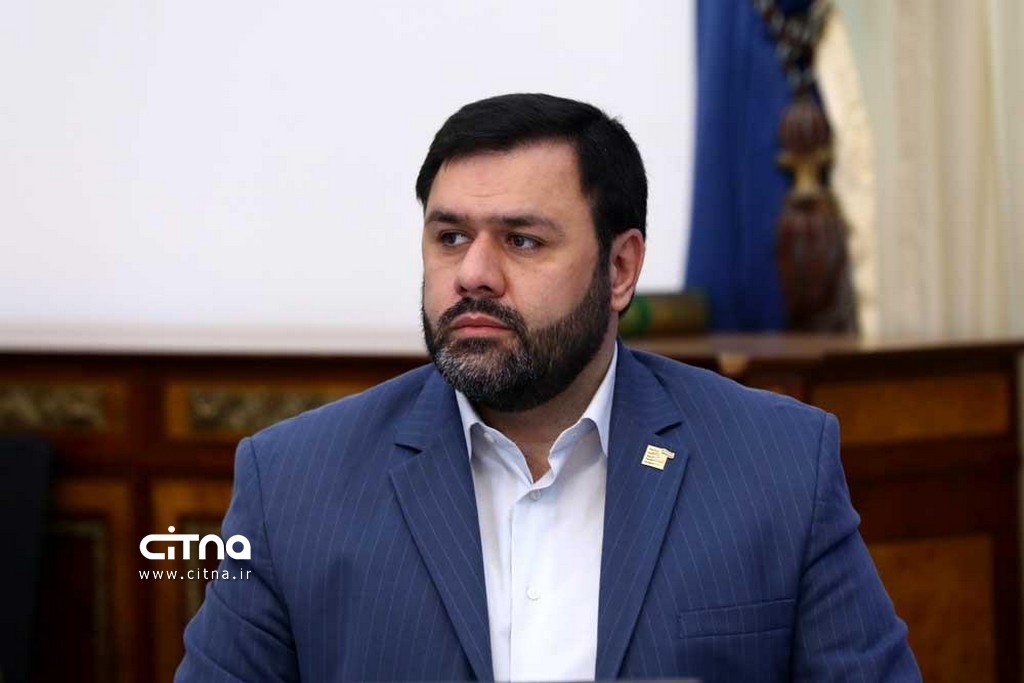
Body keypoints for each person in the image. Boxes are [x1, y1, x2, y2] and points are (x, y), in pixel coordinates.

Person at [176, 93, 919, 682]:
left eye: (522, 240)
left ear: (620, 269)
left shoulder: (779, 463)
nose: (473, 274)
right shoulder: (292, 482)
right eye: (450, 237)